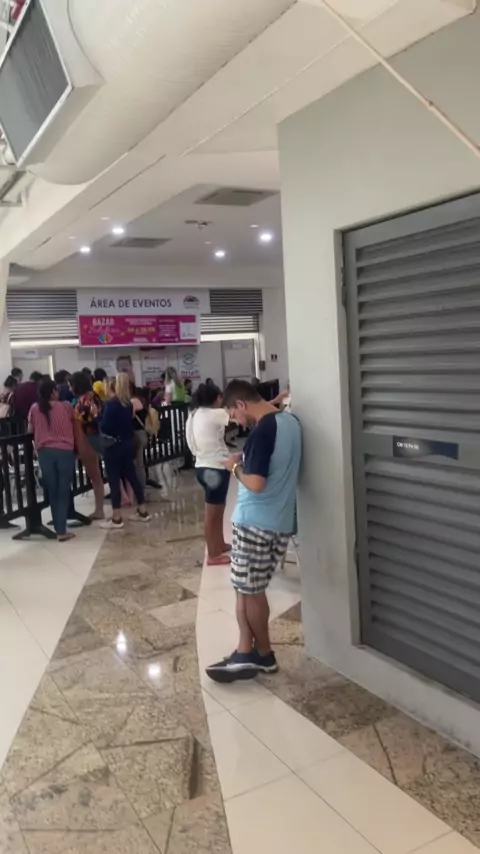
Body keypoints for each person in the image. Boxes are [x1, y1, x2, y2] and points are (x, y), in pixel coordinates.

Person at [206, 379, 302, 683]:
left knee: (249, 591)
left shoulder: (262, 430)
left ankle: (254, 654)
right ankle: (255, 653)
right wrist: (244, 459)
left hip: (255, 521)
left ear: (241, 404)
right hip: (278, 520)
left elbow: (257, 483)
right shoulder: (290, 422)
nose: (236, 421)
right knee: (248, 588)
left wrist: (234, 468)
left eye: (234, 414)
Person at [186, 383, 231, 565]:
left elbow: (190, 442)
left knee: (217, 510)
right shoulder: (214, 414)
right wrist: (276, 401)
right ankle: (213, 555)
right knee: (212, 514)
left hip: (202, 466)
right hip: (215, 468)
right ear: (218, 398)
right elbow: (243, 414)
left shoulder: (194, 414)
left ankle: (219, 544)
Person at [99, 373, 151, 529]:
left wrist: (97, 418)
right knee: (132, 477)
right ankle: (142, 510)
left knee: (114, 480)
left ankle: (117, 517)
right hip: (127, 444)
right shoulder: (128, 404)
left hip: (113, 446)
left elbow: (106, 427)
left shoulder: (109, 405)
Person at [28, 377, 76, 542]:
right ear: (53, 392)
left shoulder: (35, 408)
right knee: (63, 490)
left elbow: (30, 429)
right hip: (65, 451)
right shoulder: (66, 406)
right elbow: (75, 423)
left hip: (44, 453)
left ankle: (58, 528)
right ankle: (61, 530)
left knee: (53, 491)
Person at [71, 371, 105, 520]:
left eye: (70, 385)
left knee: (95, 476)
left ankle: (99, 510)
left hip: (87, 439)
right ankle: (99, 509)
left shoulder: (84, 399)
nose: (69, 388)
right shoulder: (94, 396)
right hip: (95, 436)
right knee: (96, 475)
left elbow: (83, 419)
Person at [131, 384, 149, 491]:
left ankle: (140, 489)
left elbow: (130, 415)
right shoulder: (142, 401)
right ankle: (141, 488)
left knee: (138, 465)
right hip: (142, 433)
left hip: (136, 434)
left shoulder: (133, 402)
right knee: (140, 464)